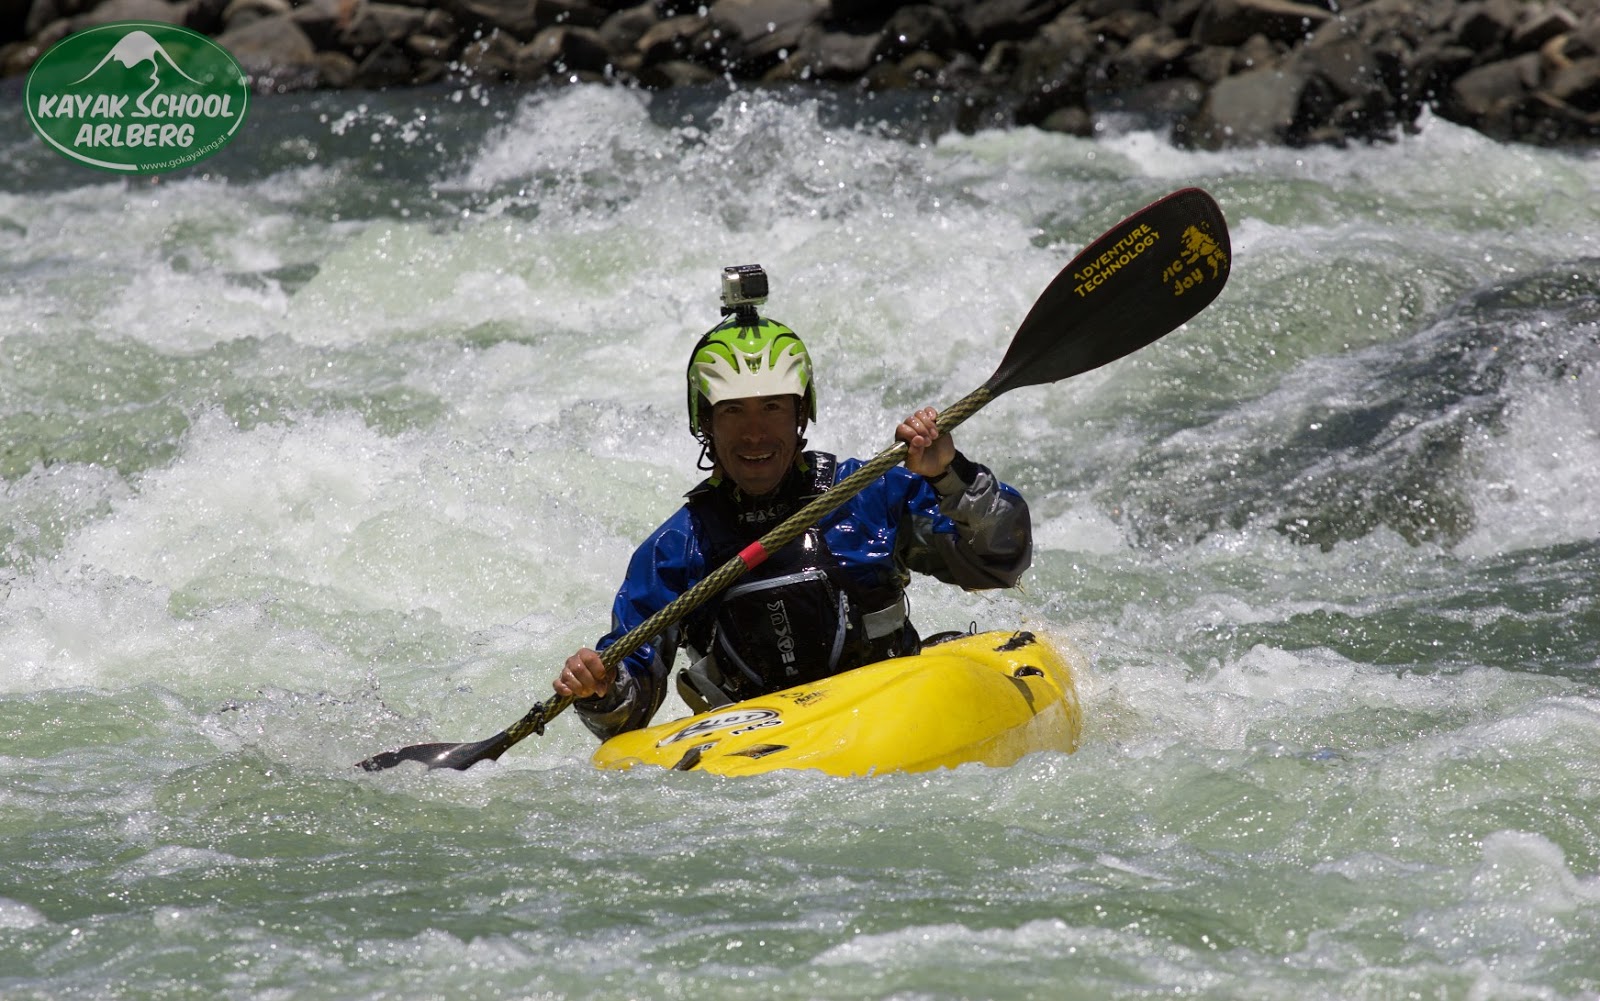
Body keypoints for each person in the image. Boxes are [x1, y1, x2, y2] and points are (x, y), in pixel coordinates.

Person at [554, 267, 1033, 741]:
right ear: (706, 424)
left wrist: (949, 473)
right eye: (733, 411)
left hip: (893, 716)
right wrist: (601, 689)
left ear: (801, 415)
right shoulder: (677, 550)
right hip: (766, 751)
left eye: (773, 408)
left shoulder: (868, 496)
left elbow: (998, 562)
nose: (755, 433)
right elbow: (627, 709)